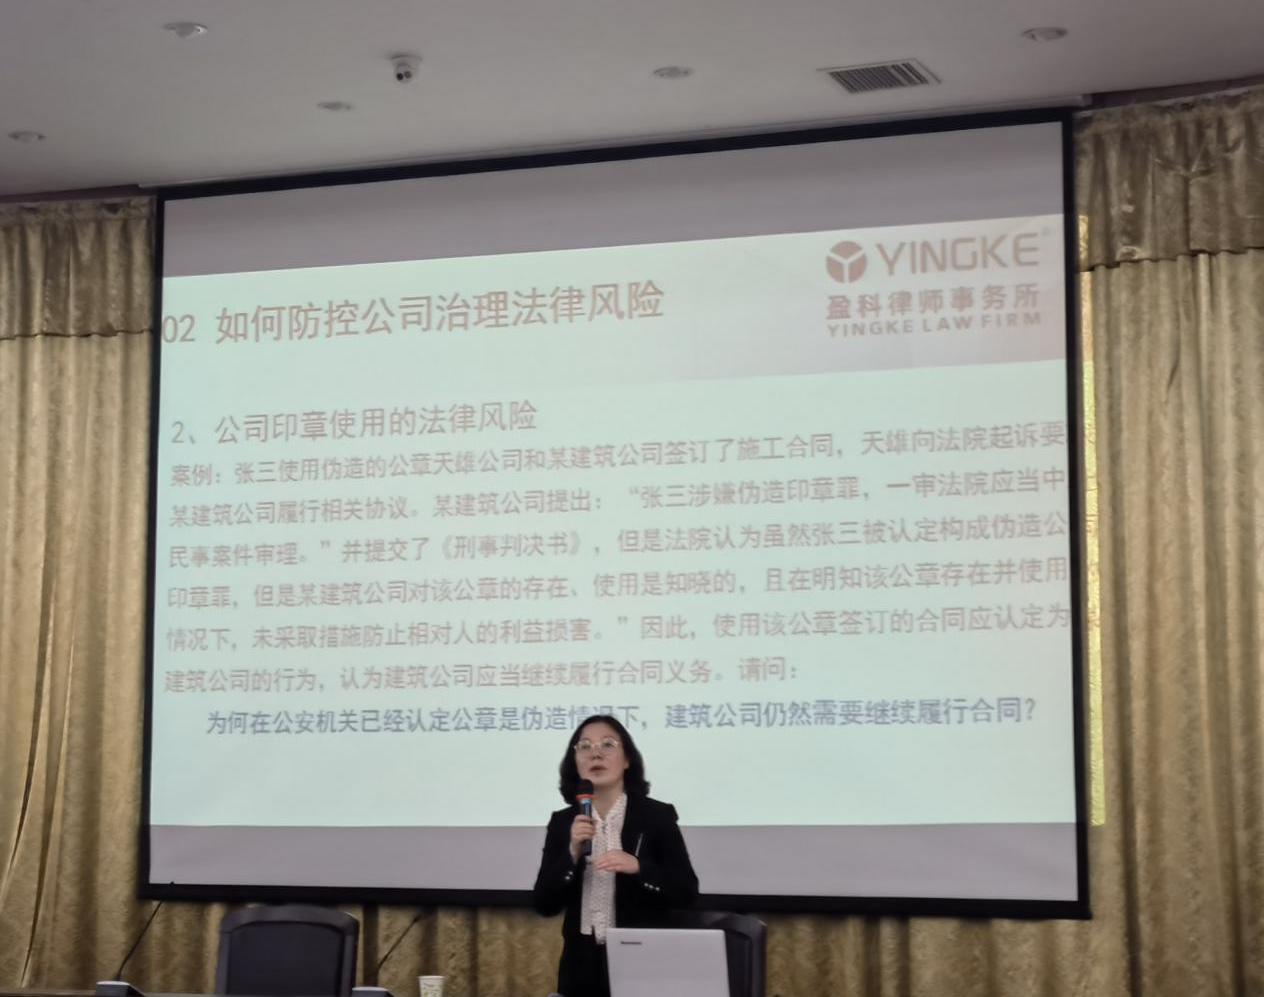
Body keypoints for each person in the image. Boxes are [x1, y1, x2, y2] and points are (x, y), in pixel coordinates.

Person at [532, 714, 699, 997]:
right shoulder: (564, 822)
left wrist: (639, 867)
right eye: (585, 746)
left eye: (607, 744)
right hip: (580, 967)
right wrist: (571, 853)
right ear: (575, 761)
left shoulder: (656, 816)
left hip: (643, 963)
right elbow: (544, 904)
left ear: (627, 760)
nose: (595, 753)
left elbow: (686, 892)